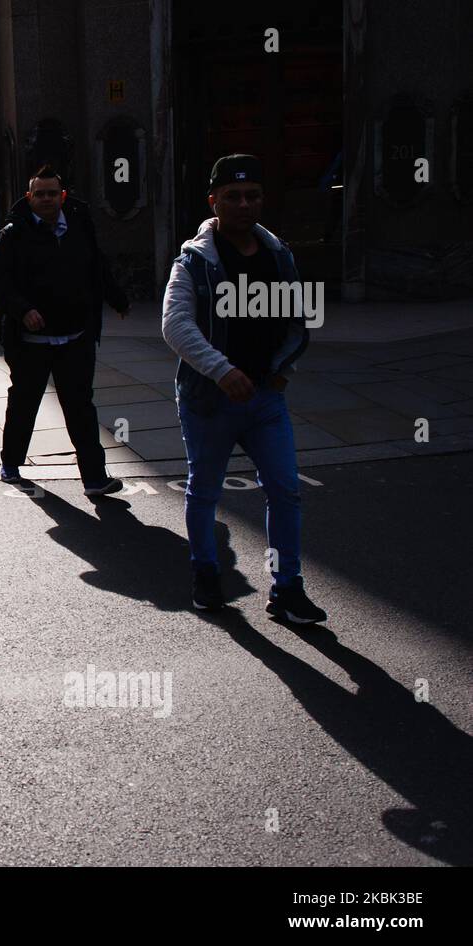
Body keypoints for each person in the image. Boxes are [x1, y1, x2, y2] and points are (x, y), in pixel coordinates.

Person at [162, 153, 326, 623]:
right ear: (213, 201)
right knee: (205, 491)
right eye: (232, 196)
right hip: (209, 400)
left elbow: (297, 321)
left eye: (252, 195)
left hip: (265, 400)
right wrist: (221, 370)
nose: (244, 204)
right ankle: (207, 573)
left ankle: (287, 589)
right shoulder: (194, 262)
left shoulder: (279, 256)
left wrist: (280, 371)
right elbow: (175, 326)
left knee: (285, 490)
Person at [0, 164, 129, 495]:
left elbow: (97, 267)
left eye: (53, 193)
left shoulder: (79, 226)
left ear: (62, 195)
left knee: (80, 406)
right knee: (24, 402)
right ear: (29, 196)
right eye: (40, 194)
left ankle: (94, 478)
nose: (47, 199)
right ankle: (11, 462)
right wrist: (23, 311)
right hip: (29, 341)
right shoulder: (13, 233)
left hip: (75, 336)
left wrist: (118, 299)